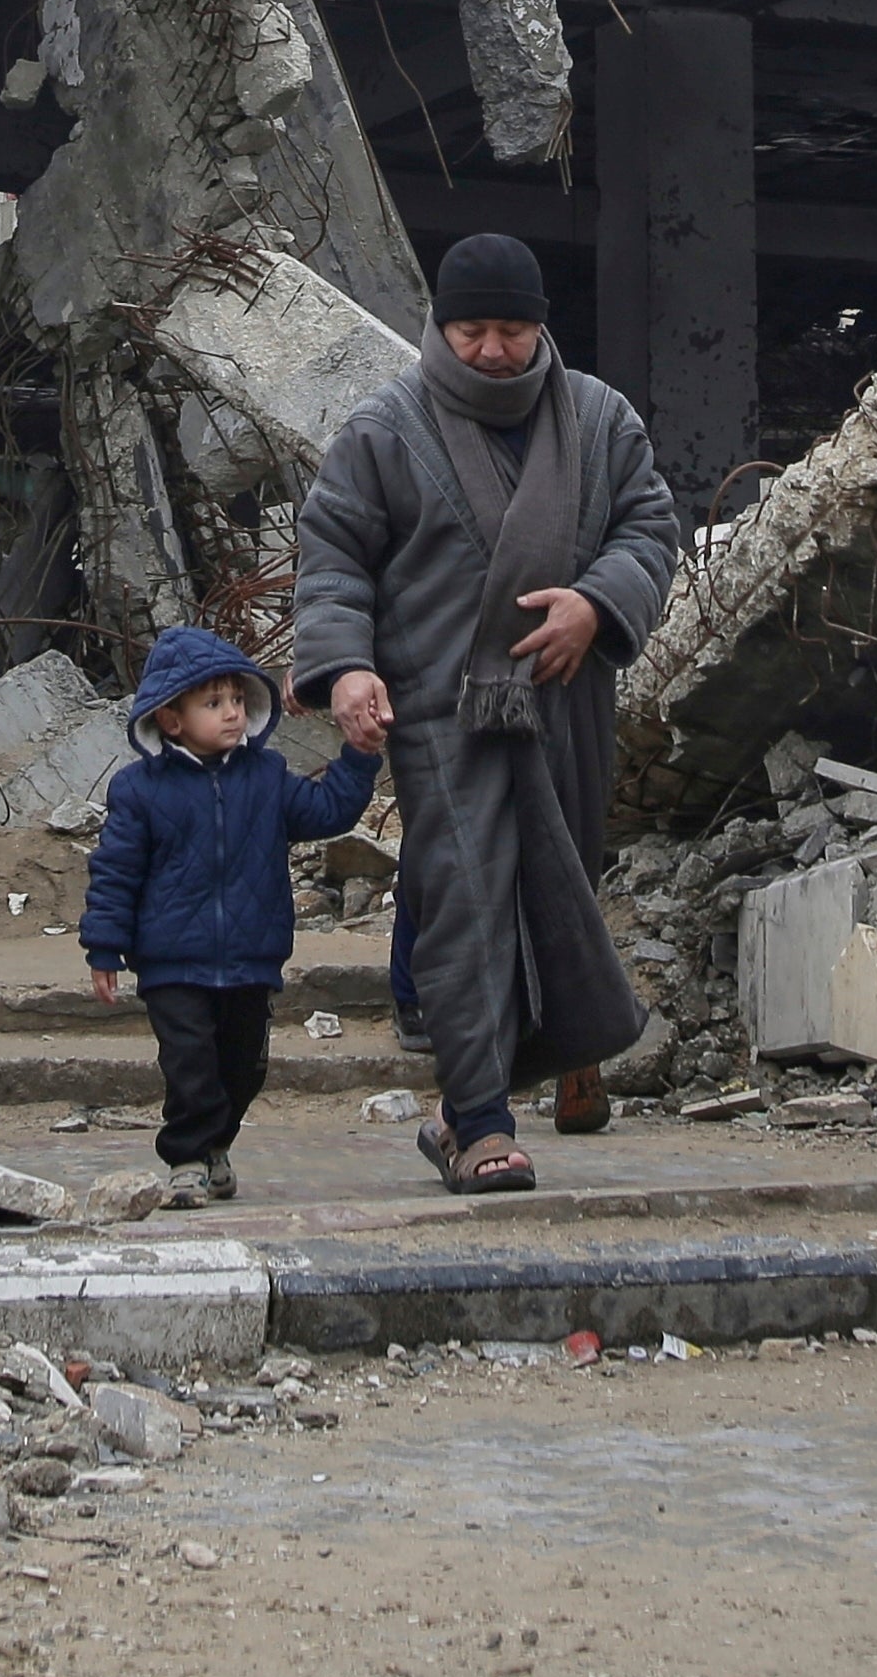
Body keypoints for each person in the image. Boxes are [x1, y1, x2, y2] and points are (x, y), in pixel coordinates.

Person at [285, 231, 681, 1194]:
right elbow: (335, 557)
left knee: (556, 894)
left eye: (512, 330)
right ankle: (484, 1125)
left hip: (568, 709)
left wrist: (596, 604)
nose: (494, 351)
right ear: (440, 326)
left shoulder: (601, 420)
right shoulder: (385, 431)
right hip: (441, 710)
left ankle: (472, 1107)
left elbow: (649, 526)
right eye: (473, 332)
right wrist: (347, 670)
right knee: (464, 899)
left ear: (541, 328)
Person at [76, 624, 381, 1207]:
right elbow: (115, 871)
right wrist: (104, 945)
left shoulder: (265, 777)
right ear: (171, 719)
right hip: (171, 961)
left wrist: (360, 757)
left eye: (238, 699)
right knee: (190, 1064)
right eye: (213, 703)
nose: (233, 713)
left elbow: (327, 811)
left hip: (250, 957)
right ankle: (188, 1158)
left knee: (243, 1066)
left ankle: (218, 1145)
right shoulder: (139, 790)